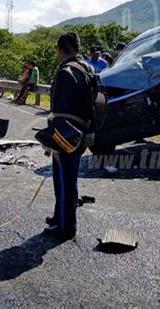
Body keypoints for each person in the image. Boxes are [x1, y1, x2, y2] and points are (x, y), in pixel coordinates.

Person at [44, 32, 95, 240]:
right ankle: (59, 217)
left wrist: (50, 139)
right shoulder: (88, 68)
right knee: (64, 177)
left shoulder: (66, 72)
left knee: (65, 181)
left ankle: (66, 227)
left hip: (66, 134)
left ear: (60, 50)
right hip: (83, 132)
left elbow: (58, 110)